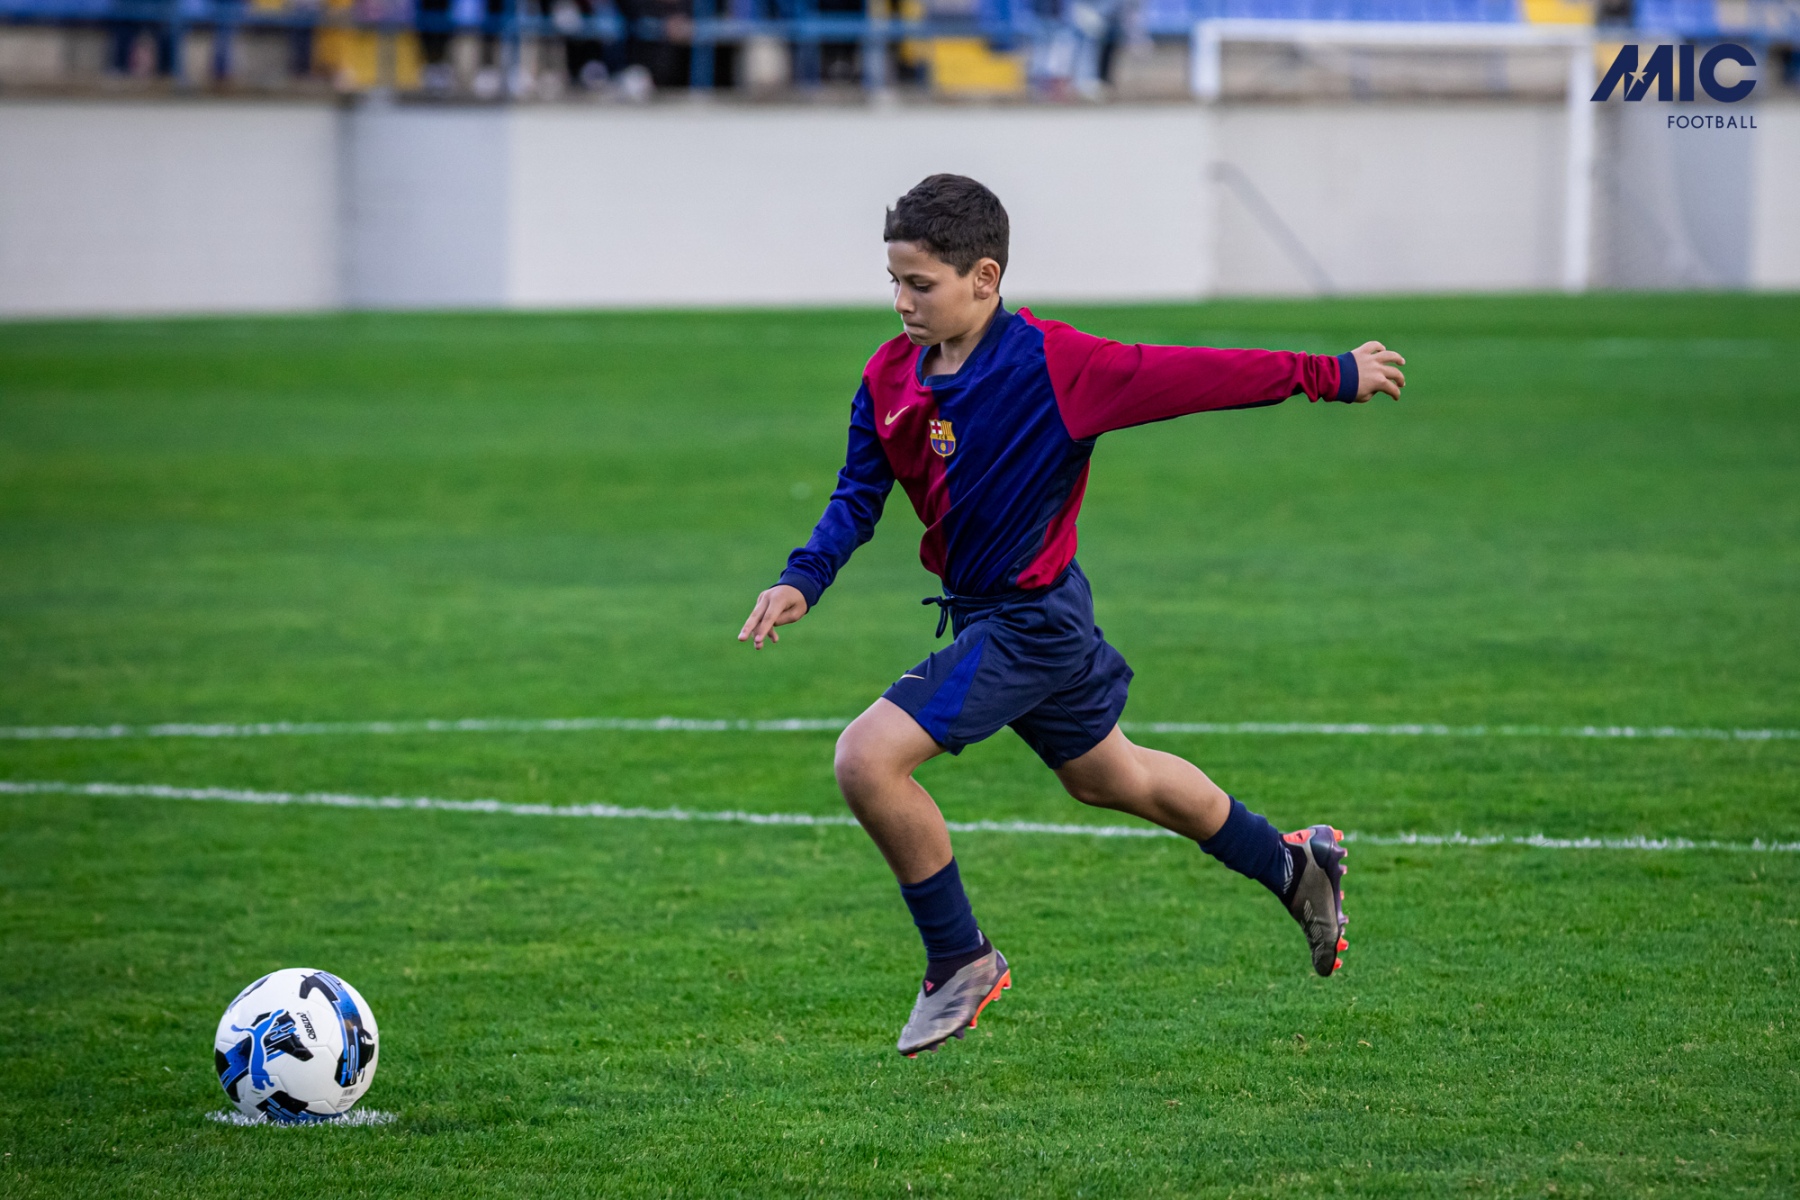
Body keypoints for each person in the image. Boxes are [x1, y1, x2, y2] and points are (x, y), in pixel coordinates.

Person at [738, 174, 1407, 1057]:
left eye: (921, 284)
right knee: (1112, 778)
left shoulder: (1057, 366)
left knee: (867, 759)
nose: (901, 302)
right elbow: (859, 493)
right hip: (1010, 615)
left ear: (985, 277)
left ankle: (960, 958)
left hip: (1031, 623)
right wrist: (805, 578)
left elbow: (1191, 375)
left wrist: (1329, 375)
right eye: (893, 281)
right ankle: (1292, 866)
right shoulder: (888, 375)